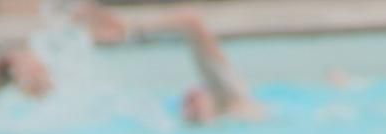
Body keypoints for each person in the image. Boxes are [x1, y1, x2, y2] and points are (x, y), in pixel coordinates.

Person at [76, 3, 265, 125]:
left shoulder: (235, 101)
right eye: (187, 103)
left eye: (191, 99)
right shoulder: (224, 113)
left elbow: (191, 22)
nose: (189, 100)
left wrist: (129, 29)